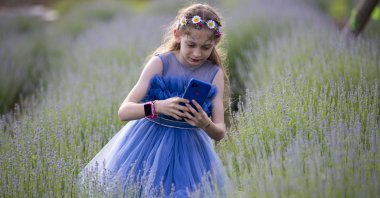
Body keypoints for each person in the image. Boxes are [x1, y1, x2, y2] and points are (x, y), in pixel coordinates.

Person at [79, 3, 230, 197]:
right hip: (146, 146)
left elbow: (219, 132)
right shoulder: (161, 63)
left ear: (215, 44)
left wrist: (205, 123)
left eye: (206, 48)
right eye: (191, 45)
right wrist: (157, 106)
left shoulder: (213, 73)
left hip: (190, 153)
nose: (197, 53)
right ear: (177, 35)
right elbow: (124, 111)